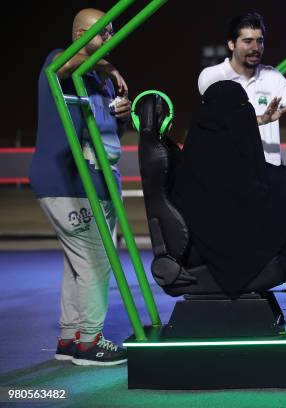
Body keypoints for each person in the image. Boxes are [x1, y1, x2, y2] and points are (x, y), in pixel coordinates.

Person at [172, 81, 286, 333]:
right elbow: (241, 195)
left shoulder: (217, 141)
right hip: (219, 242)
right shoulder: (208, 152)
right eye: (240, 108)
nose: (245, 113)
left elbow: (261, 177)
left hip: (233, 228)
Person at [29, 8, 131, 365]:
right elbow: (63, 66)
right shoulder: (59, 62)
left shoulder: (97, 82)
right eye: (102, 33)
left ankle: (71, 337)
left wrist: (121, 117)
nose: (109, 39)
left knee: (78, 263)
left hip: (95, 183)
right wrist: (108, 66)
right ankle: (89, 342)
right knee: (95, 260)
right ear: (80, 36)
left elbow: (105, 139)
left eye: (112, 32)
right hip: (67, 181)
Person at [197, 11, 286, 166]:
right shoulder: (212, 76)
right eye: (248, 41)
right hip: (230, 173)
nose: (255, 47)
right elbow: (223, 120)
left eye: (260, 41)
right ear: (231, 44)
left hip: (271, 175)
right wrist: (262, 120)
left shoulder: (273, 76)